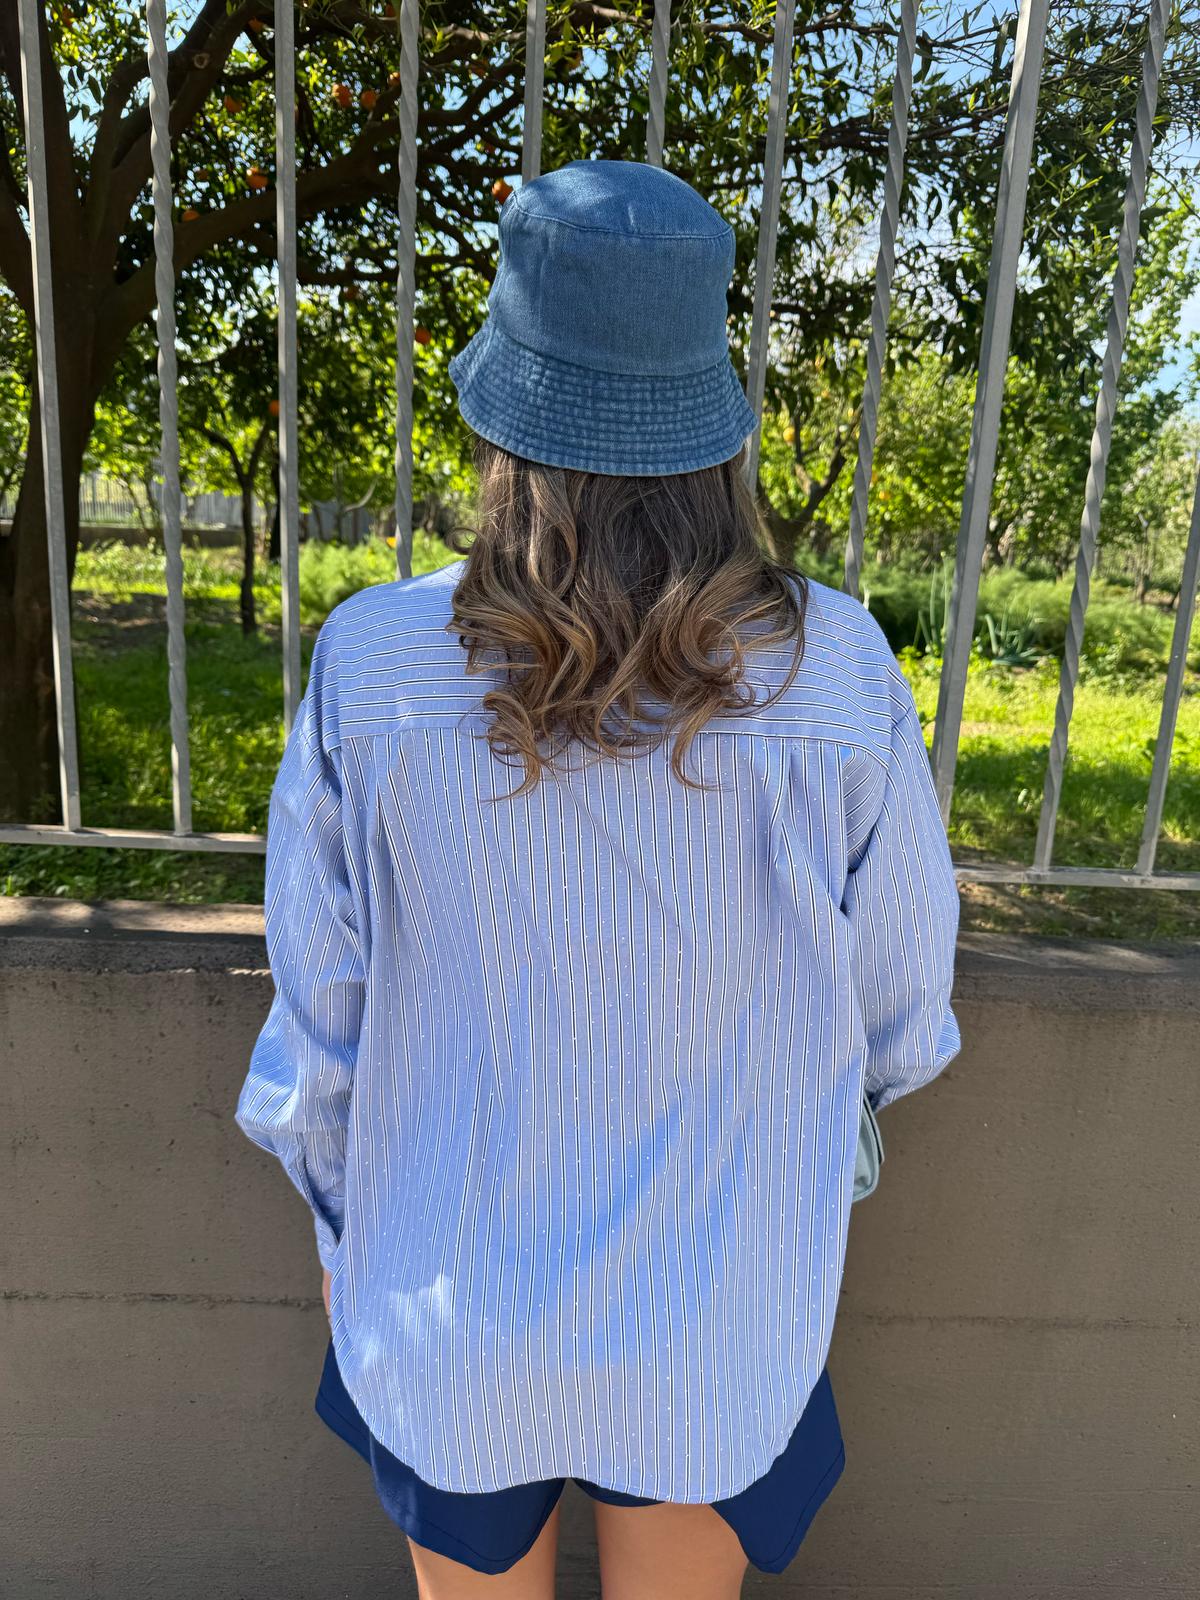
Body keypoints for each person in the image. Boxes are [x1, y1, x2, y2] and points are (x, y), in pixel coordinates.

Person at [235, 158, 962, 1600]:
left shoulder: (371, 666)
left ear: (504, 415)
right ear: (714, 421)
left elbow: (323, 1019)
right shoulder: (838, 673)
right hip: (718, 1314)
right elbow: (897, 1010)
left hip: (447, 1303)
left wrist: (337, 1232)